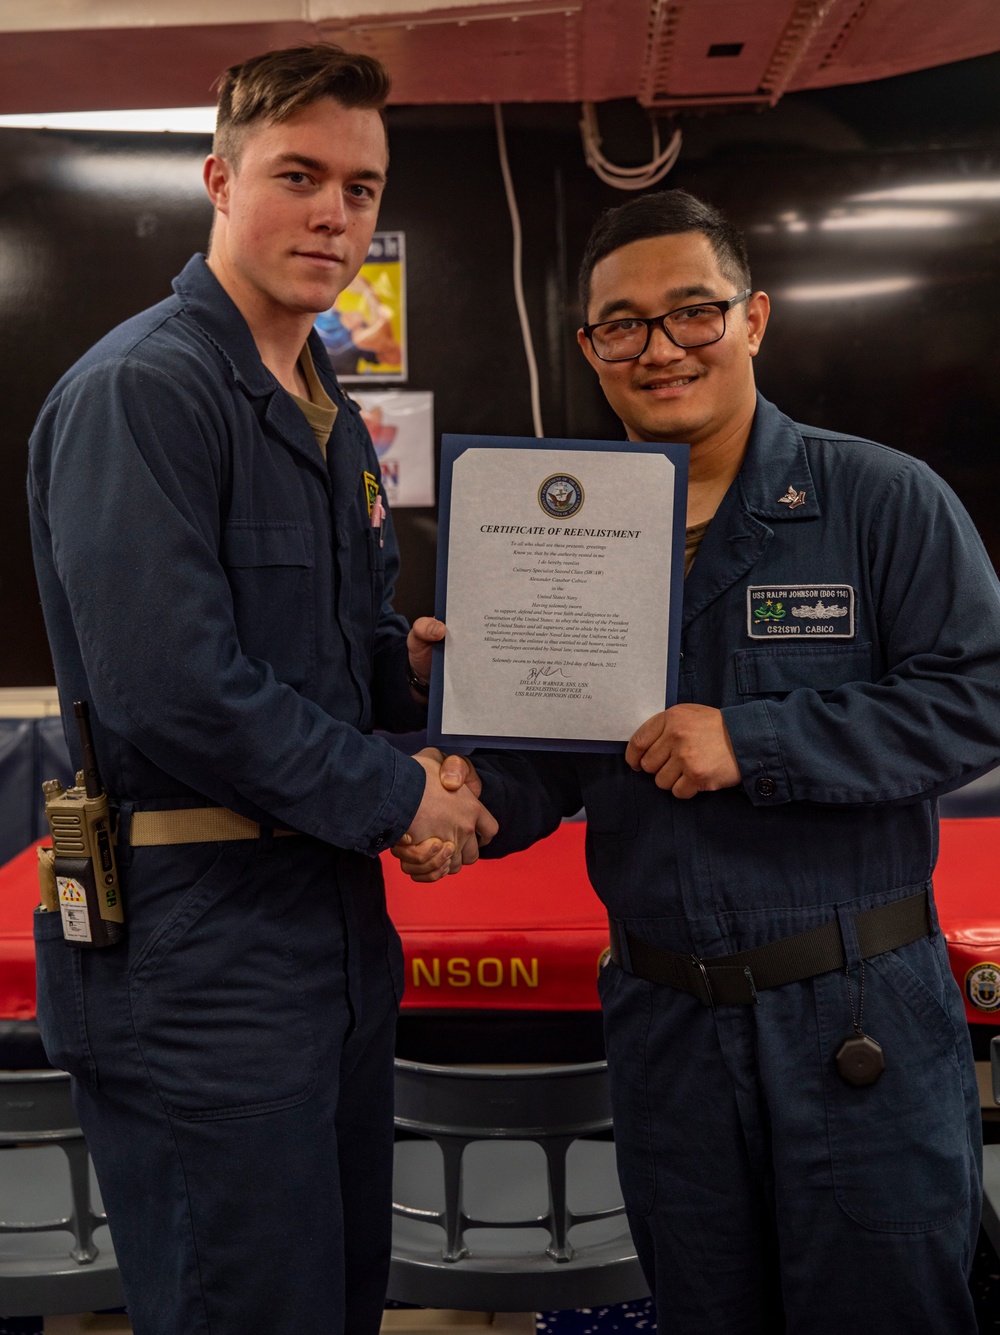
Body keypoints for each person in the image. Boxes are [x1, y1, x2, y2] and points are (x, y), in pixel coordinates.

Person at [394, 189, 1000, 1333]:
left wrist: (753, 739)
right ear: (589, 348)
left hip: (853, 1019)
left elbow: (976, 699)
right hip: (666, 1029)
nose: (659, 348)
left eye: (692, 313)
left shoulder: (877, 499)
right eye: (621, 325)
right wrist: (465, 792)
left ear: (754, 318)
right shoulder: (558, 527)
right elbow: (563, 761)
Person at [27, 44, 495, 1335]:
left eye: (361, 185)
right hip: (201, 953)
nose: (335, 213)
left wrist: (411, 679)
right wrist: (401, 791)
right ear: (219, 181)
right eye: (300, 175)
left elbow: (319, 658)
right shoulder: (148, 388)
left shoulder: (325, 406)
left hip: (327, 929)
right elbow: (171, 687)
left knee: (336, 1301)